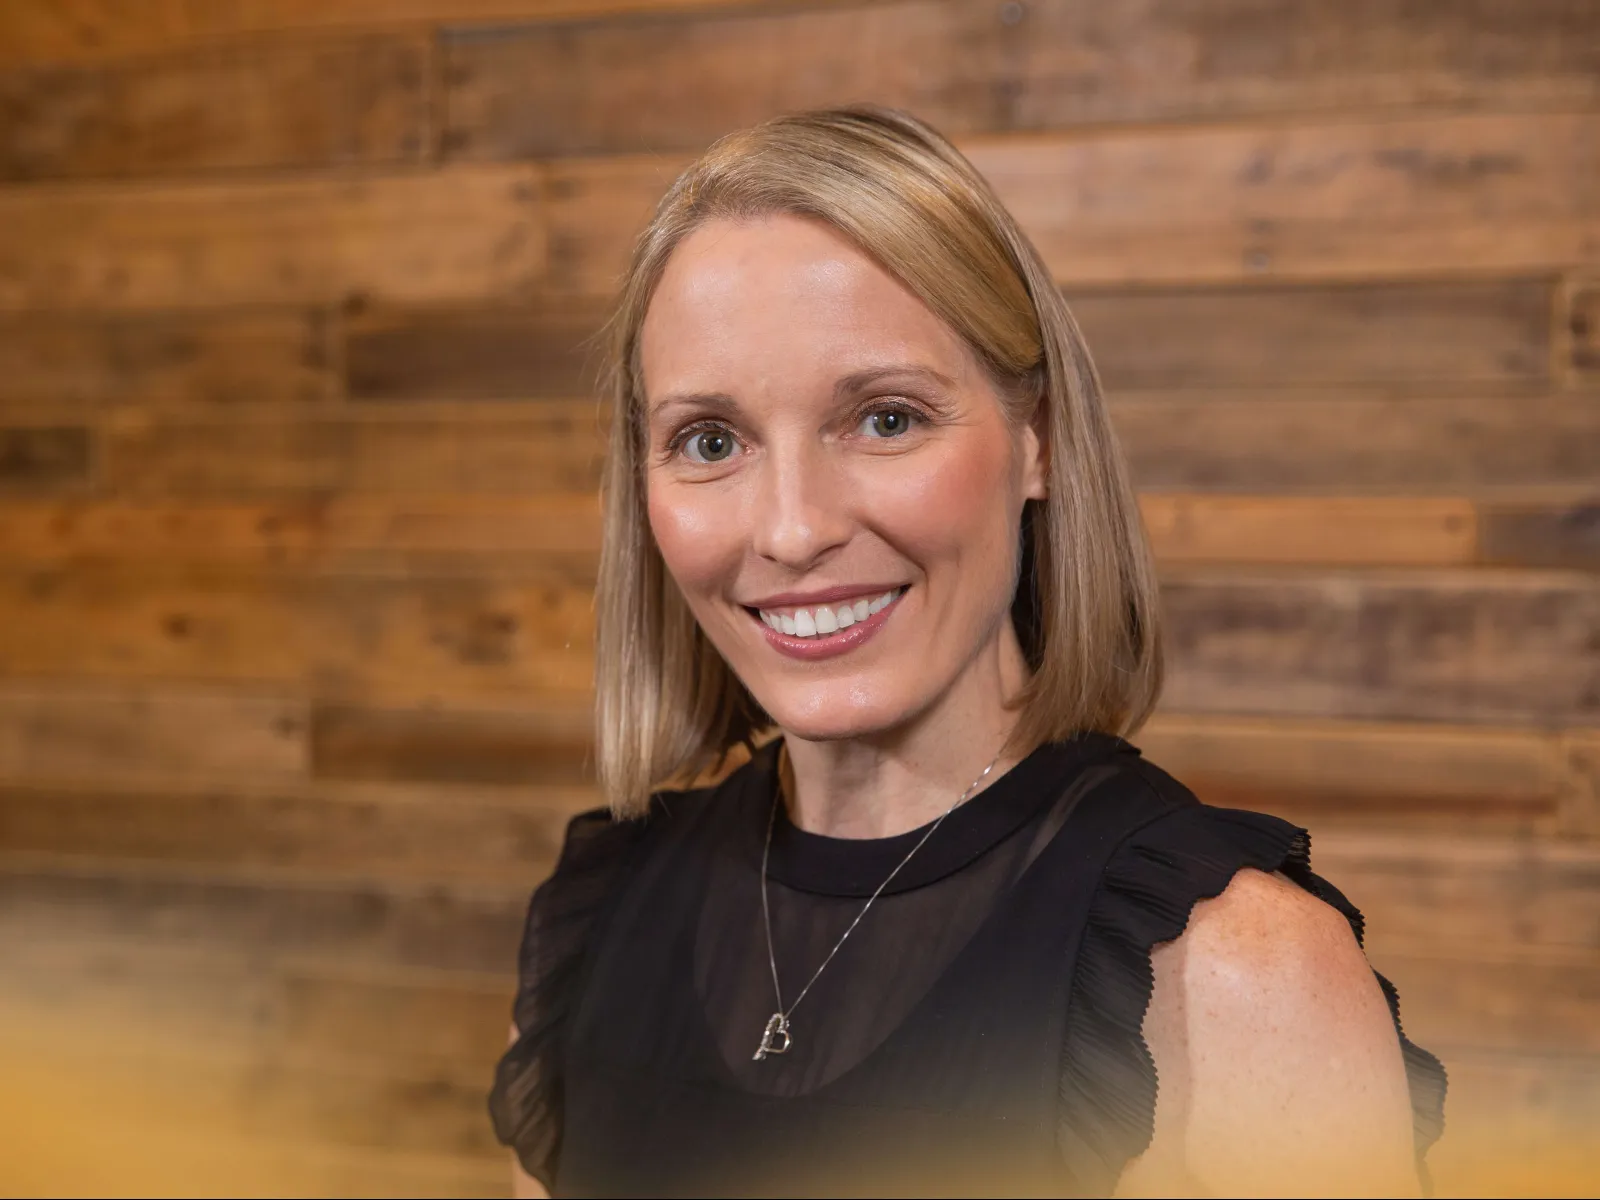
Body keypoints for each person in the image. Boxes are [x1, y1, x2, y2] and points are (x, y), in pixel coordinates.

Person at [488, 106, 1444, 1198]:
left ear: (1034, 439)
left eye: (885, 419)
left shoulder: (1235, 975)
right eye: (711, 442)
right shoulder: (598, 913)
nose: (792, 529)